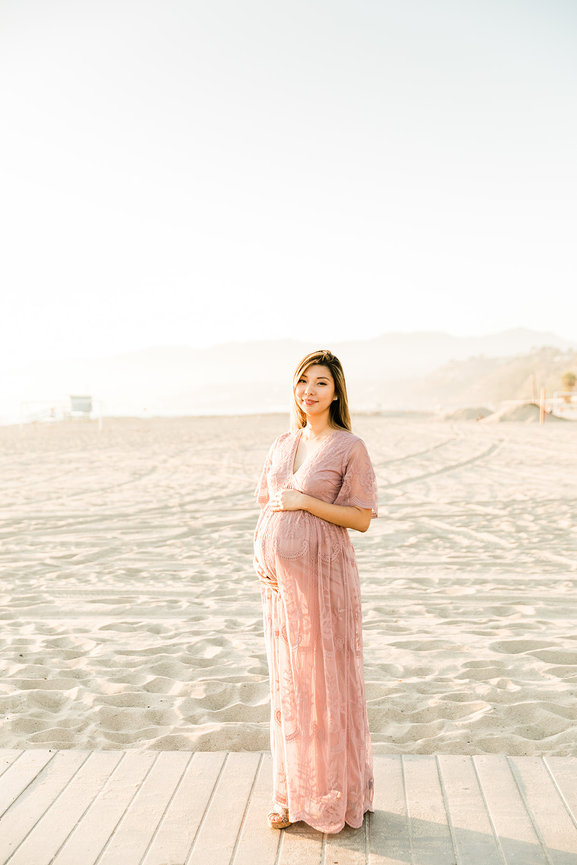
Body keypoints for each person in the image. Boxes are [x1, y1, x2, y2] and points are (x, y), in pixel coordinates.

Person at [253, 349, 378, 834]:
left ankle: (335, 794)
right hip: (281, 589)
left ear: (337, 392)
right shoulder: (284, 443)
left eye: (321, 382)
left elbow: (361, 519)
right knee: (290, 686)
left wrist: (305, 501)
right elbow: (270, 506)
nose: (310, 390)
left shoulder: (349, 447)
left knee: (326, 685)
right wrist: (262, 555)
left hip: (326, 583)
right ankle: (290, 794)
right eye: (303, 380)